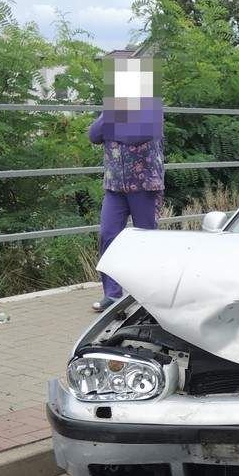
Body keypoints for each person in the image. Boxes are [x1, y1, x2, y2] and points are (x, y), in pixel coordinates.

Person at [89, 50, 165, 313]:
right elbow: (94, 134)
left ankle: (148, 296)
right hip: (115, 185)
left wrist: (114, 124)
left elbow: (136, 135)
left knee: (145, 240)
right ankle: (112, 294)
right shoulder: (113, 106)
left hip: (144, 185)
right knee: (108, 235)